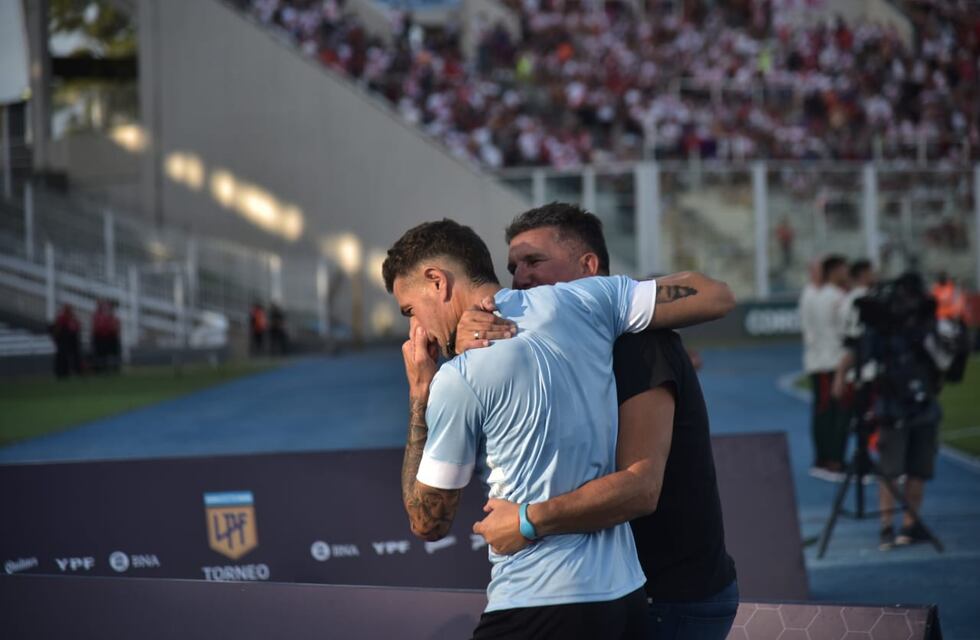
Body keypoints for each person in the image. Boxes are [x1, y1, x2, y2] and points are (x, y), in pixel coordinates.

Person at [383, 218, 734, 639]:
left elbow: (428, 522)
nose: (416, 330)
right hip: (626, 595)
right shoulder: (588, 304)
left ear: (438, 281)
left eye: (411, 310)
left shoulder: (460, 376)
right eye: (514, 268)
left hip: (545, 599)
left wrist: (421, 392)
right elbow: (715, 294)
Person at [801, 255, 849, 480]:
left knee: (825, 412)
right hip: (827, 361)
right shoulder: (822, 295)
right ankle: (829, 461)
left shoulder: (815, 294)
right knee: (829, 413)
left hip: (822, 360)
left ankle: (826, 459)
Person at [51, 304, 82, 378]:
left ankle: (70, 371)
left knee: (70, 357)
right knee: (62, 357)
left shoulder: (70, 317)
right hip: (64, 340)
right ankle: (62, 372)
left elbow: (76, 327)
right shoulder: (63, 317)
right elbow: (58, 329)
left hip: (70, 340)